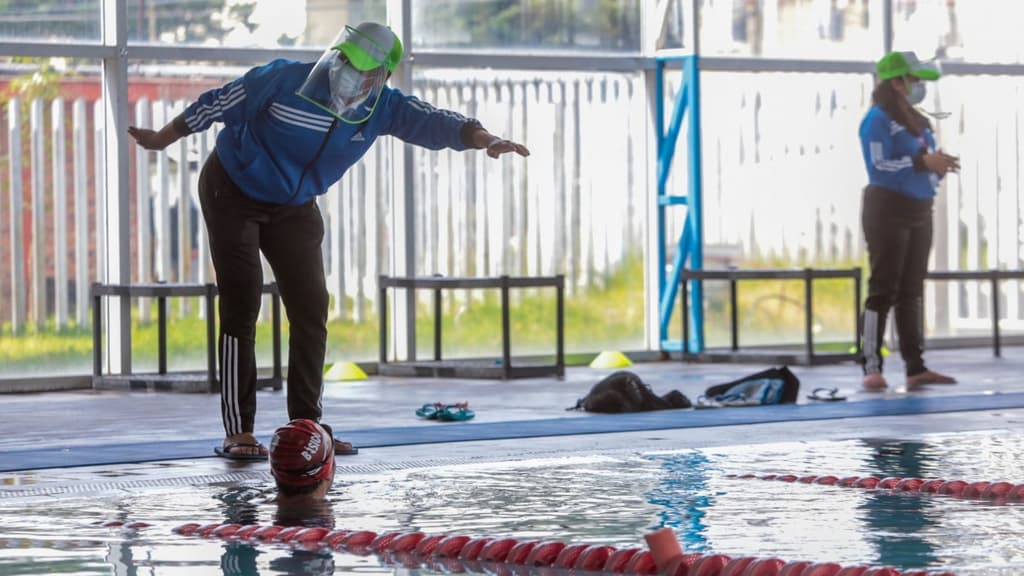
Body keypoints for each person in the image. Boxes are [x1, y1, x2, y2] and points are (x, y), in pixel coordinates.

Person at [127, 22, 529, 458]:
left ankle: (307, 426)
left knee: (311, 306)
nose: (348, 73)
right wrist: (161, 138)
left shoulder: (383, 108)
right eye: (344, 62)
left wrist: (487, 139)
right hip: (233, 188)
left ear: (381, 77)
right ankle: (239, 430)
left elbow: (433, 122)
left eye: (362, 70)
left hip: (294, 205)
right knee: (242, 302)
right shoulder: (283, 80)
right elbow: (220, 102)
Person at [858, 51, 959, 390]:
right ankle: (871, 364)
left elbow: (925, 163)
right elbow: (879, 168)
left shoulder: (919, 121)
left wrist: (938, 167)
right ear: (896, 83)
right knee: (883, 287)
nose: (918, 86)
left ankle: (915, 366)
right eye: (913, 80)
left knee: (912, 290)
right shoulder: (877, 120)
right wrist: (921, 163)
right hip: (887, 208)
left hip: (919, 208)